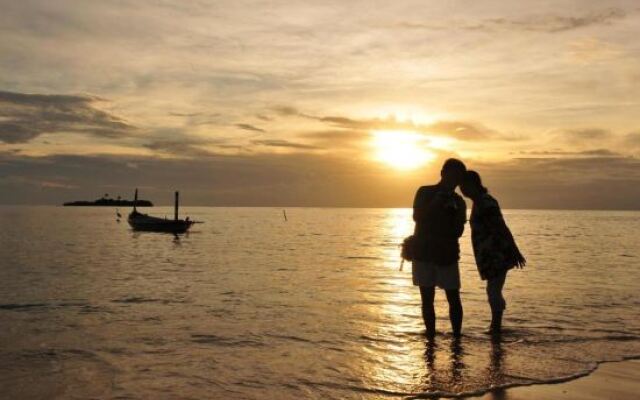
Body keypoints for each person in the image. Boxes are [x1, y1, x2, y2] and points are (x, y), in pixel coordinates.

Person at [460, 170, 526, 335]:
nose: (461, 189)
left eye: (464, 185)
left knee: (493, 290)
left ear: (473, 184)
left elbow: (501, 227)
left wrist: (515, 250)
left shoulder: (486, 202)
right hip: (489, 255)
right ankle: (495, 325)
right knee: (493, 290)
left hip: (497, 254)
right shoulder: (478, 202)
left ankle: (496, 326)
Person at [412, 158, 467, 339]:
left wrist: (450, 214)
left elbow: (458, 231)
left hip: (447, 255)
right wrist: (436, 202)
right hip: (423, 253)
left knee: (453, 298)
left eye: (457, 178)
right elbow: (418, 217)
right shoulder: (424, 192)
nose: (453, 181)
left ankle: (457, 338)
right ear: (442, 174)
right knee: (427, 300)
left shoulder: (459, 202)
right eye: (451, 176)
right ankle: (430, 338)